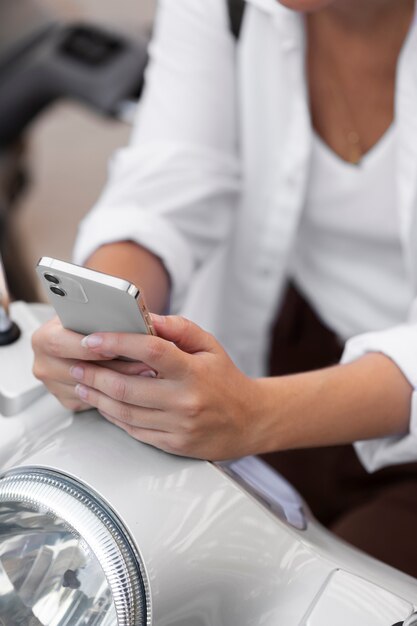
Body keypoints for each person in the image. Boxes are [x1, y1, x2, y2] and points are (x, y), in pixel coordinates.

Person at [32, 0, 417, 576]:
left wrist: (256, 415)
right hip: (283, 340)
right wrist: (101, 328)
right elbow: (171, 173)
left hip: (357, 398)